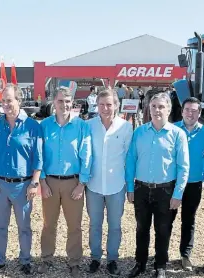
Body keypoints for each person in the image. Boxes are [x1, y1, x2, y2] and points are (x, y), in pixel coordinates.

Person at [126, 92, 189, 278]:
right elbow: (131, 160)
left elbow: (183, 167)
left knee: (163, 230)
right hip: (141, 189)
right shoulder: (139, 132)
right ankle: (140, 263)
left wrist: (178, 194)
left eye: (161, 106)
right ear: (148, 109)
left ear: (169, 109)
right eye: (153, 106)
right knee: (141, 229)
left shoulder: (178, 135)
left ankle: (160, 265)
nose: (157, 110)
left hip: (166, 191)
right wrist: (130, 187)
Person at [0, 84, 43, 277]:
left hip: (23, 185)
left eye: (10, 100)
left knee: (24, 227)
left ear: (19, 100)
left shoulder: (33, 126)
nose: (6, 104)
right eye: (3, 101)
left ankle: (25, 260)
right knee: (0, 226)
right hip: (0, 184)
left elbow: (38, 157)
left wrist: (34, 183)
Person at [37, 87, 91, 278]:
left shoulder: (82, 126)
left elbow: (87, 156)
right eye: (60, 101)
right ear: (54, 102)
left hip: (73, 183)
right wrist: (42, 182)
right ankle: (46, 258)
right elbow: (39, 155)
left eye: (68, 101)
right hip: (50, 182)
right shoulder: (44, 126)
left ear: (72, 103)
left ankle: (75, 261)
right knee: (48, 224)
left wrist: (81, 184)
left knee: (74, 225)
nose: (64, 105)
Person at [86, 89, 133, 276]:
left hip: (117, 186)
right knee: (94, 225)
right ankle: (95, 258)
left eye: (109, 104)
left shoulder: (126, 127)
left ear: (116, 105)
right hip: (94, 185)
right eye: (102, 104)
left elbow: (129, 159)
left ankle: (112, 259)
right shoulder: (88, 125)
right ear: (97, 106)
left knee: (115, 226)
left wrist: (130, 187)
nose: (105, 108)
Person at [170, 97, 204, 271]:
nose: (190, 113)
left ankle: (185, 255)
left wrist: (203, 175)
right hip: (173, 182)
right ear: (182, 111)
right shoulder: (172, 129)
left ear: (200, 113)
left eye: (195, 110)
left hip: (194, 183)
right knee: (167, 219)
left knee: (189, 220)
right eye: (187, 109)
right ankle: (161, 253)